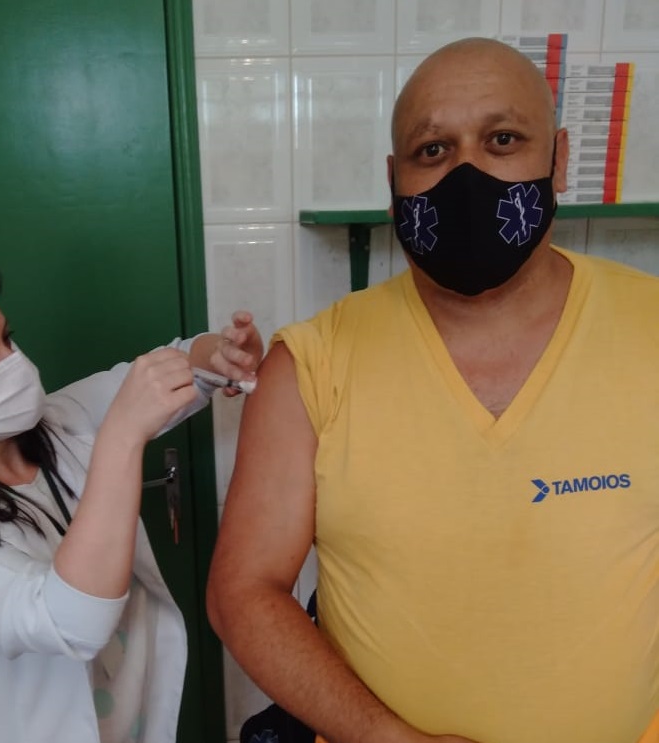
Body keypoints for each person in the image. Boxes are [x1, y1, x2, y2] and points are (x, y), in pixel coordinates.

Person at [206, 37, 659, 743]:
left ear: (558, 157)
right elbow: (243, 591)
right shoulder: (311, 365)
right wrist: (384, 737)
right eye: (432, 150)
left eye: (502, 139)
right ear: (394, 181)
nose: (465, 173)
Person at [0, 248, 263, 743]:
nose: (14, 364)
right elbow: (72, 621)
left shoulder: (58, 422)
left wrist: (220, 353)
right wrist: (122, 437)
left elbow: (180, 365)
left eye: (7, 339)